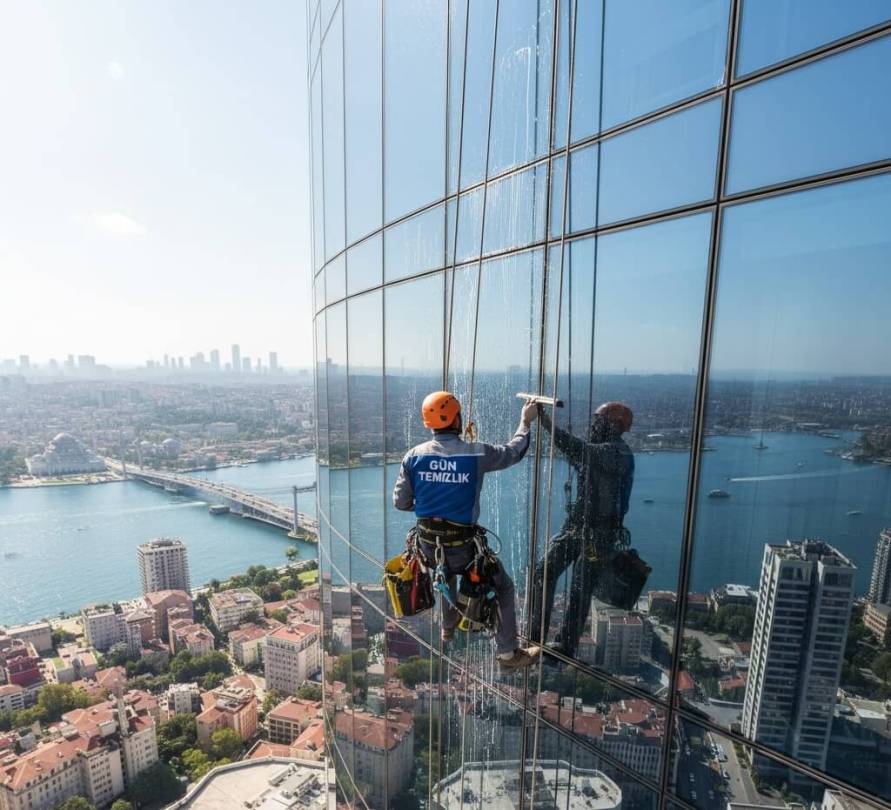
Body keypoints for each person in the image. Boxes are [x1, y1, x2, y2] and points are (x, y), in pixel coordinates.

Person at [393, 390, 541, 671]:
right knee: (504, 588)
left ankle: (448, 629)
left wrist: (430, 500)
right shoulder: (477, 454)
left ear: (430, 423)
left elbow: (401, 503)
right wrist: (526, 421)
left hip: (427, 547)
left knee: (444, 574)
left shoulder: (413, 456)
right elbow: (514, 451)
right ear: (457, 418)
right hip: (464, 549)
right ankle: (509, 656)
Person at [529, 401, 635, 658]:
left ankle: (565, 645)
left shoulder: (618, 454)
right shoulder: (601, 452)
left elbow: (577, 448)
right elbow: (576, 450)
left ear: (615, 426)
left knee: (580, 587)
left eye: (599, 421)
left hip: (599, 533)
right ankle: (534, 637)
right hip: (578, 527)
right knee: (543, 572)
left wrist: (544, 423)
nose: (594, 426)